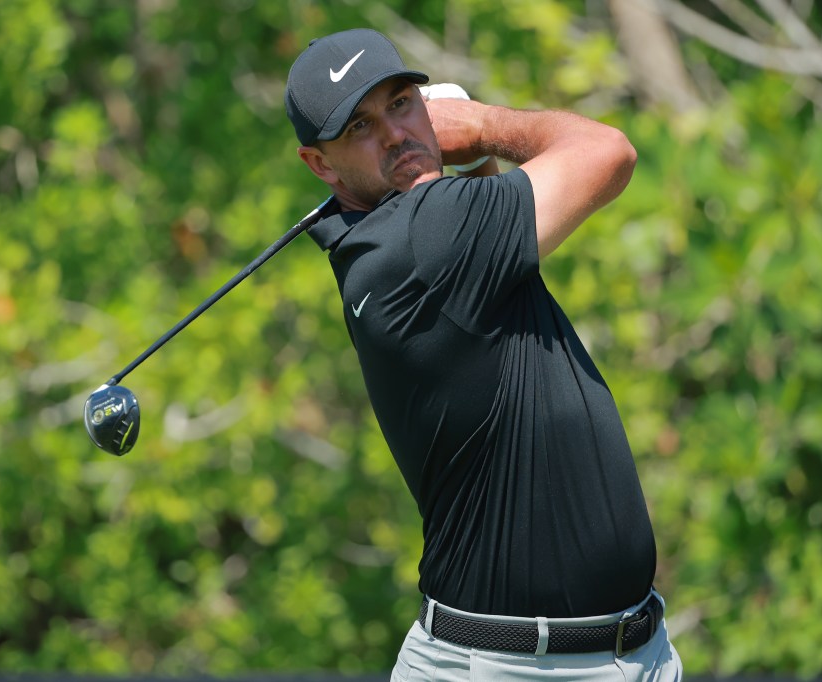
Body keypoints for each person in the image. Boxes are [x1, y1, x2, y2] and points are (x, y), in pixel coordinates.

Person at [284, 28, 682, 681]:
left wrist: (457, 158)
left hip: (620, 652)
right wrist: (481, 123)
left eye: (401, 103)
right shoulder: (425, 236)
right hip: (511, 666)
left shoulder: (384, 242)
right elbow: (610, 152)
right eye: (360, 125)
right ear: (320, 165)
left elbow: (494, 269)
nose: (395, 134)